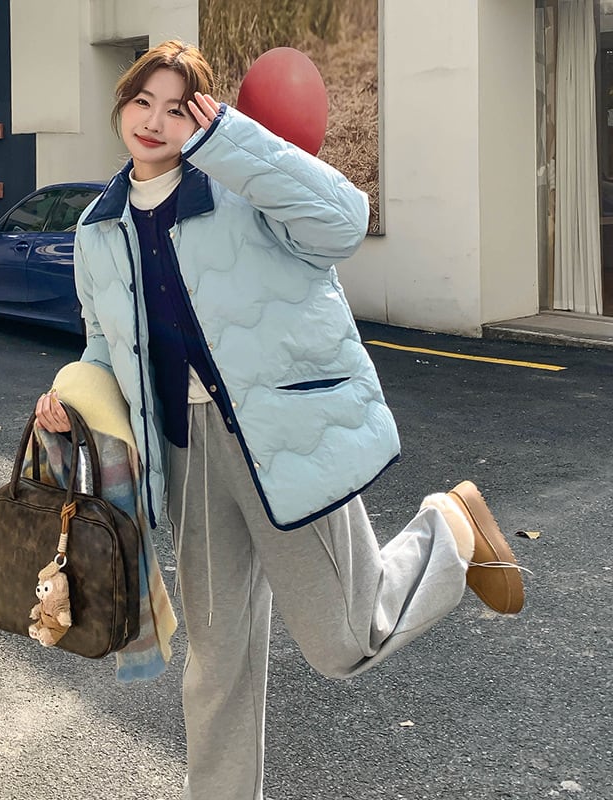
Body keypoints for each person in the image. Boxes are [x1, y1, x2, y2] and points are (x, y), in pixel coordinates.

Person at [35, 39, 527, 800]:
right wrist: (70, 396)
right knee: (218, 661)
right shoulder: (98, 229)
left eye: (178, 108)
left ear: (204, 118)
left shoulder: (242, 190)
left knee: (346, 639)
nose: (155, 121)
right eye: (142, 101)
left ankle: (450, 529)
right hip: (185, 454)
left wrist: (231, 143)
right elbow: (104, 346)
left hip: (279, 440)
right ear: (121, 105)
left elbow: (345, 223)